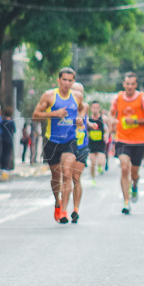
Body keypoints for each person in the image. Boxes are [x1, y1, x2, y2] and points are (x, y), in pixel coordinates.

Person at [31, 67, 84, 223]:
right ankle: (57, 202)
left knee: (67, 173)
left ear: (73, 81)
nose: (67, 83)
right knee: (56, 177)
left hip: (70, 140)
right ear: (59, 80)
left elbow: (80, 111)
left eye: (70, 80)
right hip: (52, 140)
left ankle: (64, 210)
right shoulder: (49, 96)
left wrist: (80, 119)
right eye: (64, 80)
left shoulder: (77, 96)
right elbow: (35, 116)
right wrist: (54, 114)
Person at [110, 72, 144, 215]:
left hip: (139, 141)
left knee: (134, 173)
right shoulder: (117, 98)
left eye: (132, 84)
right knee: (124, 168)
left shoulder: (143, 99)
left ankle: (135, 184)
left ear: (136, 85)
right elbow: (112, 114)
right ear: (124, 84)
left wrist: (134, 121)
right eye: (127, 84)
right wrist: (112, 123)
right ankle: (126, 202)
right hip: (122, 139)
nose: (129, 87)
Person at [69, 82, 89, 222]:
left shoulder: (84, 107)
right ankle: (62, 205)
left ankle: (76, 208)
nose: (78, 95)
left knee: (76, 177)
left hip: (81, 146)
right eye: (75, 91)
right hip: (67, 145)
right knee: (66, 177)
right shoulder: (65, 106)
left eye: (80, 92)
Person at [86, 101, 107, 185]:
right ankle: (93, 178)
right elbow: (85, 129)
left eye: (96, 108)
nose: (95, 109)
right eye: (93, 108)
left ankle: (100, 167)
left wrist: (106, 133)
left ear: (99, 109)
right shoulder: (88, 119)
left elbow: (109, 127)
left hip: (100, 143)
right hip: (91, 143)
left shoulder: (103, 118)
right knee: (92, 163)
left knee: (100, 161)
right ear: (91, 108)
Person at [1, 106, 16, 170]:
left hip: (3, 138)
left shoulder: (2, 122)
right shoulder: (11, 122)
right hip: (10, 139)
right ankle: (6, 166)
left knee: (3, 152)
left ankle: (2, 165)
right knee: (8, 153)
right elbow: (14, 130)